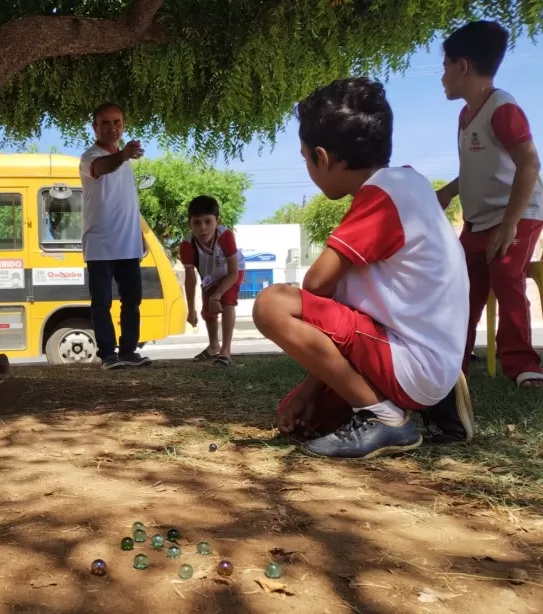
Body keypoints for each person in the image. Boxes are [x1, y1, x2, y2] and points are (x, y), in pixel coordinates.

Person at [252, 77, 473, 459]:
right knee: (311, 420)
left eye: (305, 157)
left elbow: (316, 282)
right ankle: (435, 401)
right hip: (424, 352)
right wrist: (310, 389)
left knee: (272, 304)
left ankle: (387, 418)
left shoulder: (381, 195)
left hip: (412, 359)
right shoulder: (409, 182)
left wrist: (314, 382)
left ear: (321, 157)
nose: (307, 165)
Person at [437, 20, 543, 389]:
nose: (442, 76)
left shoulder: (503, 108)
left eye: (445, 66)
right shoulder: (466, 116)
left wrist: (511, 224)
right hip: (478, 221)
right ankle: (453, 363)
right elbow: (474, 168)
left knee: (505, 274)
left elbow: (529, 162)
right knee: (461, 288)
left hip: (517, 214)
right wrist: (450, 190)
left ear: (462, 66)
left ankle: (524, 367)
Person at [79, 103, 152, 370]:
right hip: (100, 242)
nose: (113, 128)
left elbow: (126, 202)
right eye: (106, 123)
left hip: (129, 242)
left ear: (124, 124)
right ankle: (108, 354)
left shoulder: (124, 160)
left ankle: (129, 350)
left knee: (132, 300)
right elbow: (101, 168)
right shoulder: (90, 157)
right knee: (102, 302)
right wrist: (123, 154)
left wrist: (140, 233)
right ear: (95, 127)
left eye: (117, 122)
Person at [179, 195, 245, 366]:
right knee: (208, 310)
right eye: (197, 223)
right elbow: (190, 279)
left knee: (227, 301)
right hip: (209, 276)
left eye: (208, 222)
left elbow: (232, 273)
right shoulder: (187, 245)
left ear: (218, 221)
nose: (203, 229)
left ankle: (226, 350)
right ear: (190, 224)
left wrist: (217, 296)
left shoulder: (226, 237)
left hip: (232, 272)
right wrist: (191, 309)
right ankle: (213, 345)